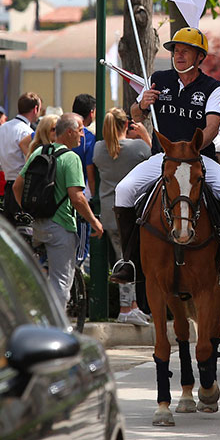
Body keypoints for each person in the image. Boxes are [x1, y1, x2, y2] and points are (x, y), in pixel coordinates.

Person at [112, 27, 220, 289]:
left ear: (199, 57)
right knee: (123, 190)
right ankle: (130, 261)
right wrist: (141, 105)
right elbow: (135, 116)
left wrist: (192, 149)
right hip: (163, 158)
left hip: (199, 159)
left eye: (186, 51)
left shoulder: (213, 88)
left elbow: (212, 127)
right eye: (176, 50)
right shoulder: (158, 79)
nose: (179, 55)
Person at [12, 113, 104, 311]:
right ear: (69, 132)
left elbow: (16, 186)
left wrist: (28, 210)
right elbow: (77, 197)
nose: (82, 136)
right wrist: (94, 222)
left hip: (37, 225)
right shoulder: (71, 158)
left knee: (40, 275)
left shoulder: (38, 152)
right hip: (61, 225)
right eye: (80, 131)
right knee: (61, 281)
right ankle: (56, 329)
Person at [93, 108, 152, 326]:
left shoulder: (99, 149)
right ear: (126, 125)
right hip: (132, 212)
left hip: (109, 212)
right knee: (130, 261)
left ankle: (132, 306)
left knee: (122, 259)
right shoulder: (137, 147)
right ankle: (126, 308)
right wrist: (145, 135)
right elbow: (156, 158)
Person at [0, 93, 41, 222]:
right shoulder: (27, 132)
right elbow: (30, 164)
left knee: (11, 232)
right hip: (23, 187)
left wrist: (7, 166)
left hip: (8, 187)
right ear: (35, 109)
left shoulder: (2, 129)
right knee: (25, 233)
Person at [71, 94, 97, 196]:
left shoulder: (58, 128)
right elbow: (90, 174)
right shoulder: (88, 138)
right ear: (91, 113)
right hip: (78, 191)